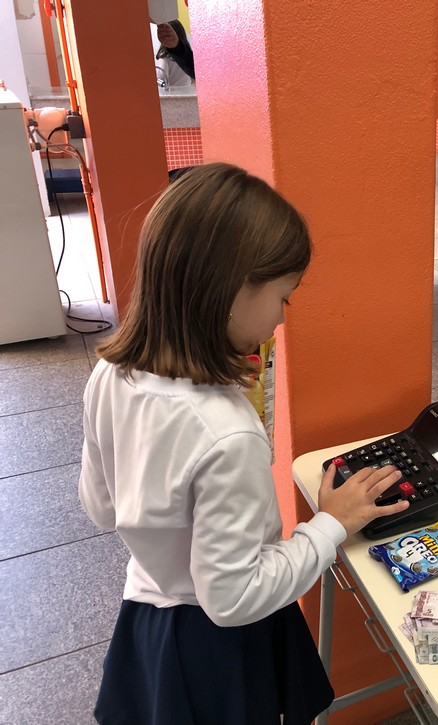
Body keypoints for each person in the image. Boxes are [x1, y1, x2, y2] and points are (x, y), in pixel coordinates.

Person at [78, 163, 409, 725]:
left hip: (148, 611)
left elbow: (101, 507)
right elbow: (232, 598)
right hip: (216, 649)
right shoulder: (227, 434)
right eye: (283, 297)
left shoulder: (110, 375)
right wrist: (331, 524)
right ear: (231, 291)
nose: (281, 317)